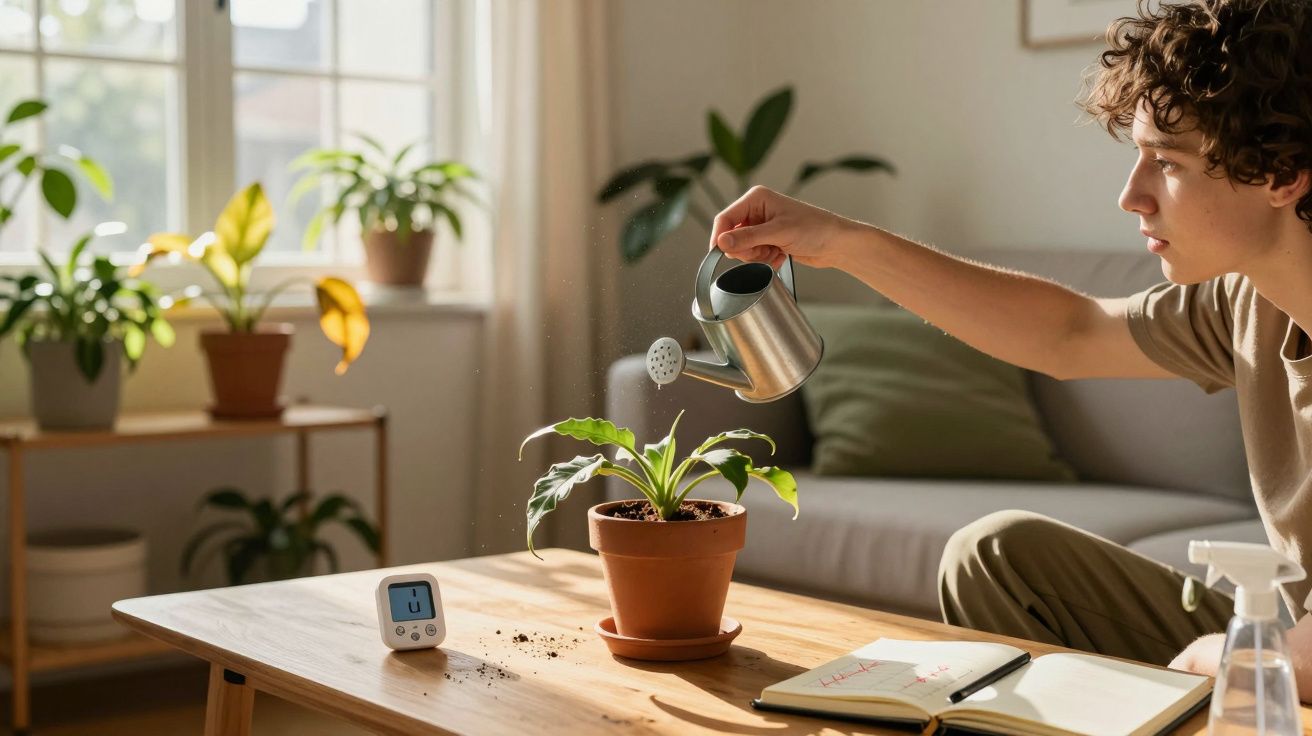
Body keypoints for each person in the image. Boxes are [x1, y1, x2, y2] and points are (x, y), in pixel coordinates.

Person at [708, 0, 1312, 696]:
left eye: (1165, 162)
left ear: (1281, 173)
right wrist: (845, 244)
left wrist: (1226, 654)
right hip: (1285, 635)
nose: (1131, 196)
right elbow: (1069, 333)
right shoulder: (1247, 301)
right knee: (994, 557)